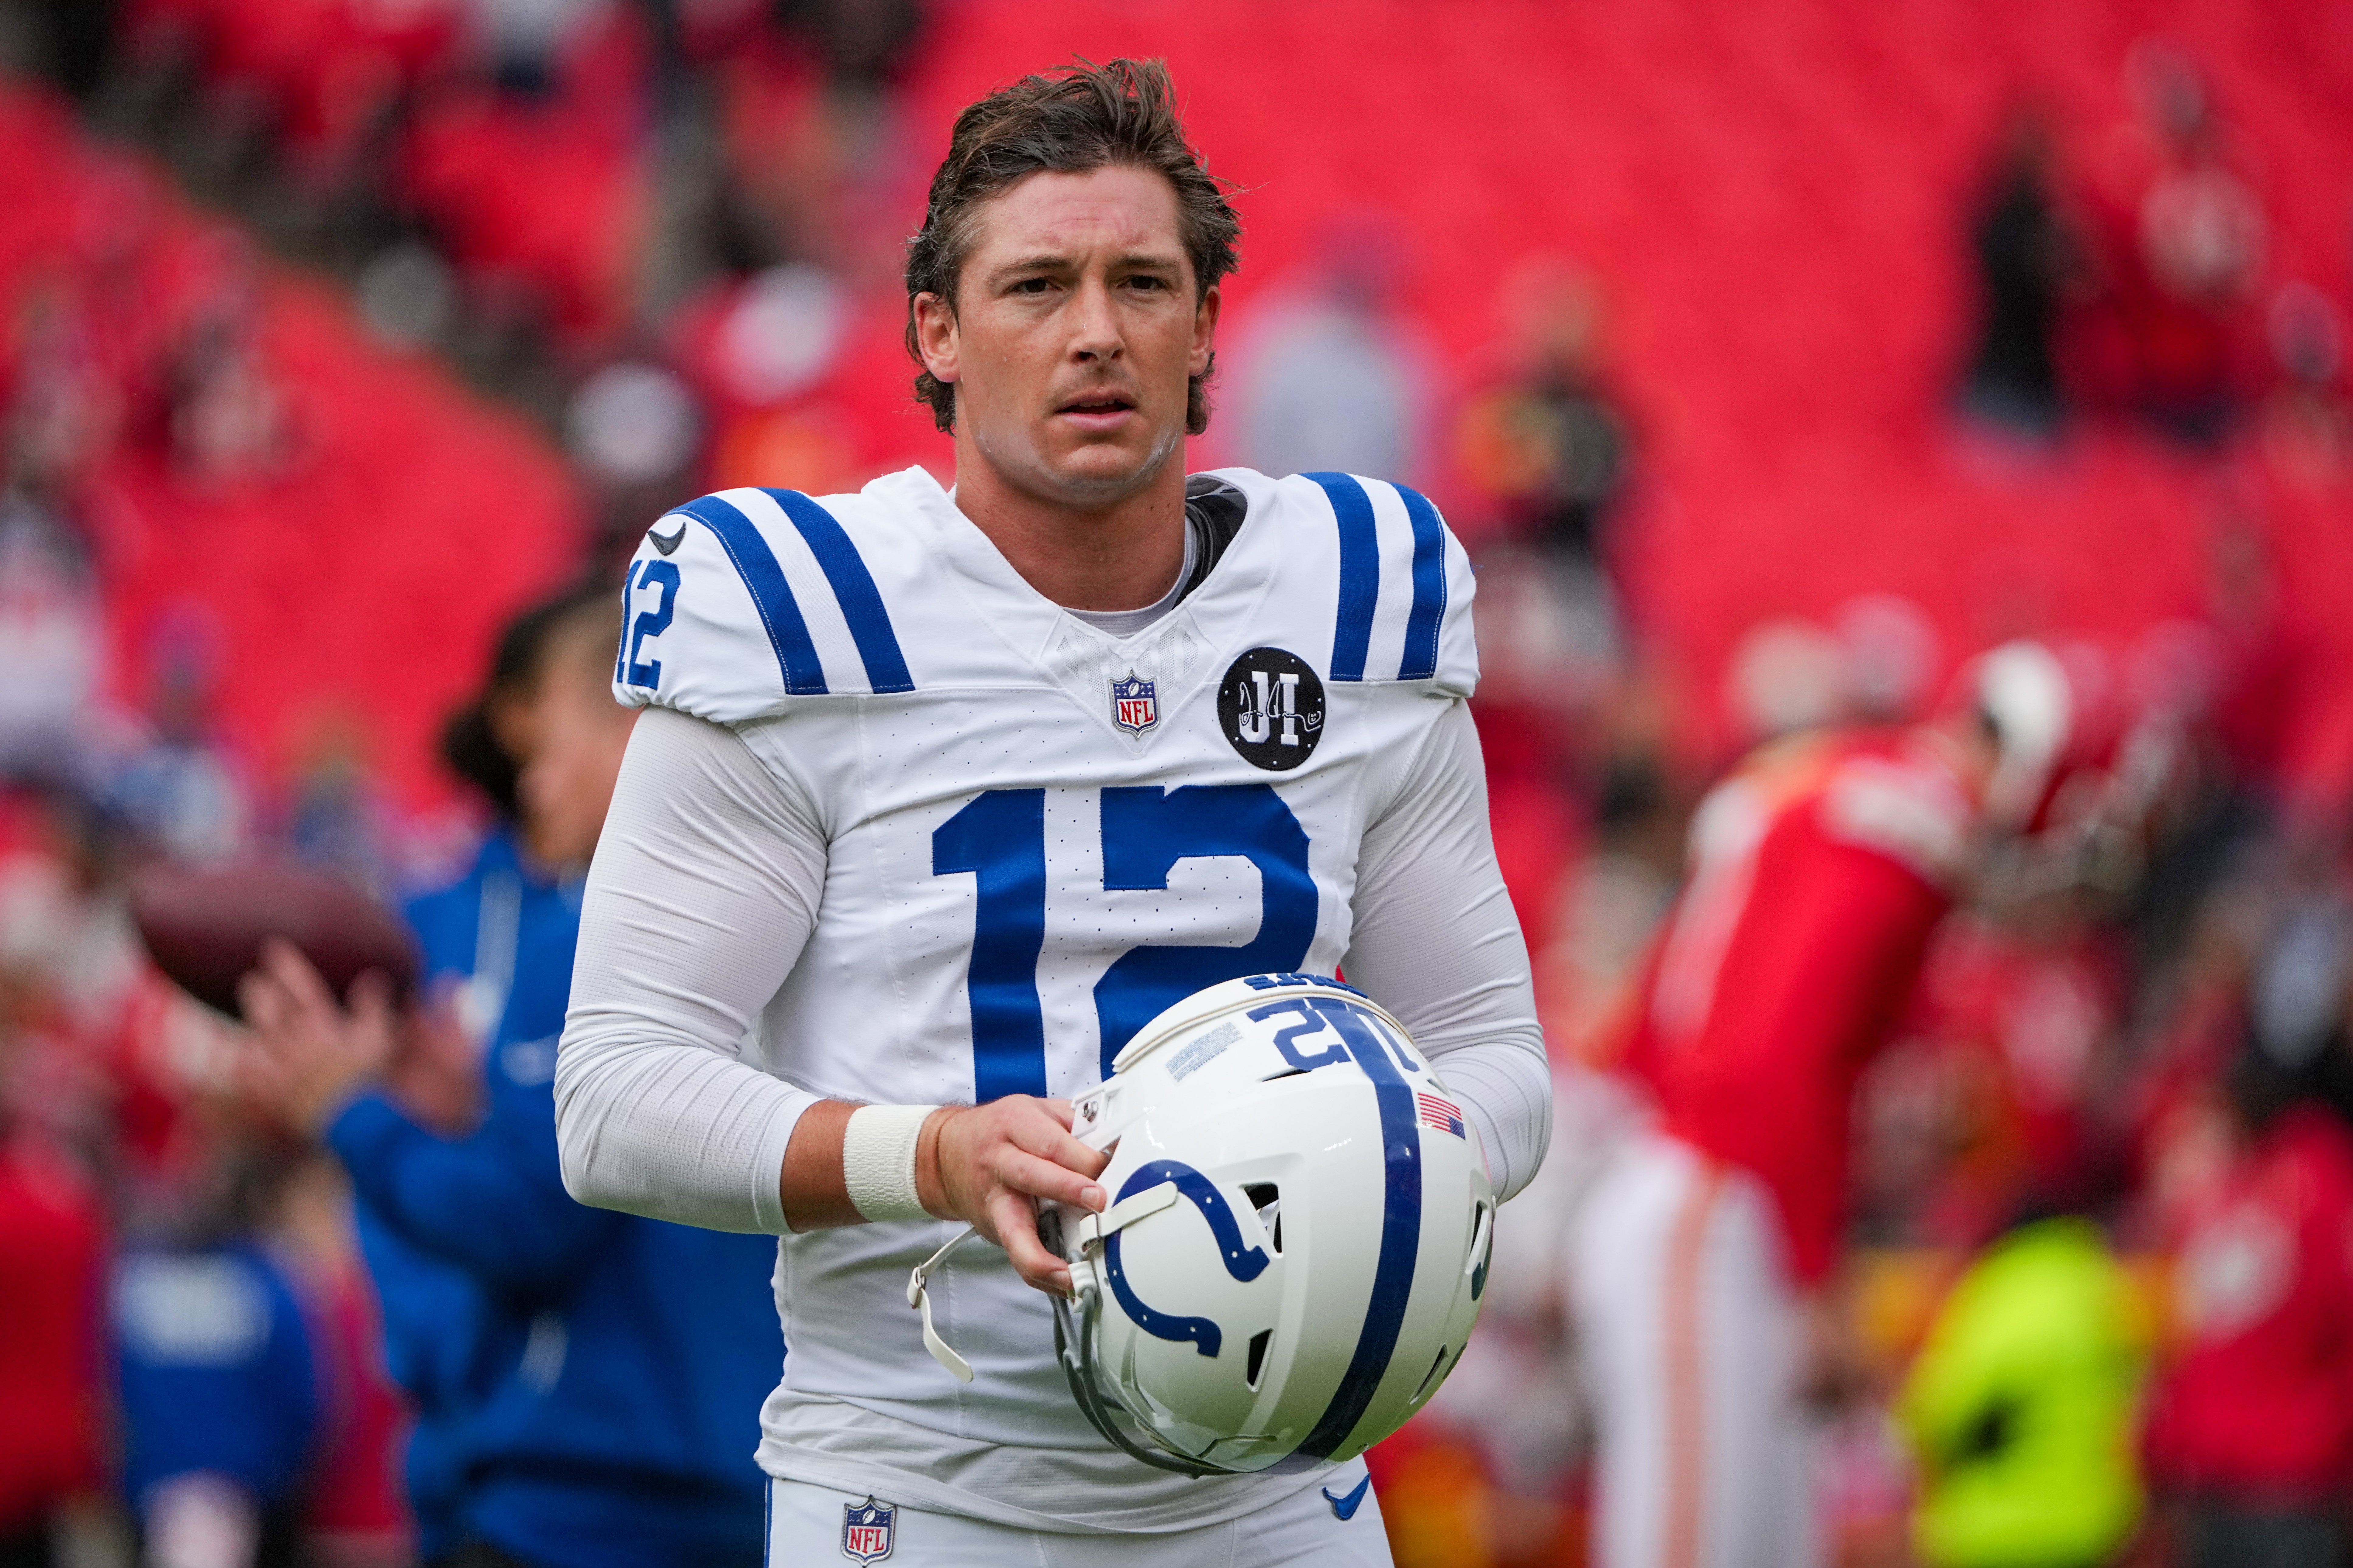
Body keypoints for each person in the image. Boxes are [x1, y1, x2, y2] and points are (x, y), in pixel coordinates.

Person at [554, 58, 1551, 1566]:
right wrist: (931, 1151)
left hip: (1280, 1492)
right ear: (937, 333)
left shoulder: (1354, 600)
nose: (1097, 331)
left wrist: (1360, 1159)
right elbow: (616, 1096)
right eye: (1037, 284)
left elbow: (1498, 1062)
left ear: (1209, 325)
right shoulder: (805, 609)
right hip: (927, 1482)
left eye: (1143, 281)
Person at [237, 588, 780, 1568]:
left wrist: (348, 1110)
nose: (530, 786)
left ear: (634, 726)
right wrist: (474, 1117)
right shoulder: (783, 916)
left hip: (580, 1498)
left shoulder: (584, 933)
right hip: (759, 1489)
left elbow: (531, 1221)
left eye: (545, 746)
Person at [1568, 643, 2081, 1568]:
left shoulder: (1838, 781)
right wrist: (1817, 1282)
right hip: (1714, 1194)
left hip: (1706, 1187)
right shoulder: (1908, 826)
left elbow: (1662, 1026)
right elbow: (1774, 1062)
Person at [1895, 1212, 2147, 1568]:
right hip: (2091, 1523)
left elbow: (1937, 1408)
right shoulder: (2104, 1290)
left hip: (1996, 1524)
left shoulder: (2000, 1294)